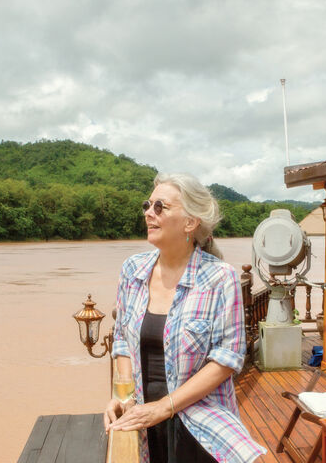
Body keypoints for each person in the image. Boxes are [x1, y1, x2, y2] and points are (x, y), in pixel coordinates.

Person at [104, 172, 265, 463]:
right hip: (141, 416)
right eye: (147, 205)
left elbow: (227, 358)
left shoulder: (219, 278)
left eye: (159, 207)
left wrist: (165, 407)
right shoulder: (133, 270)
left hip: (198, 417)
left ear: (190, 223)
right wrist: (123, 397)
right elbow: (121, 342)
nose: (148, 214)